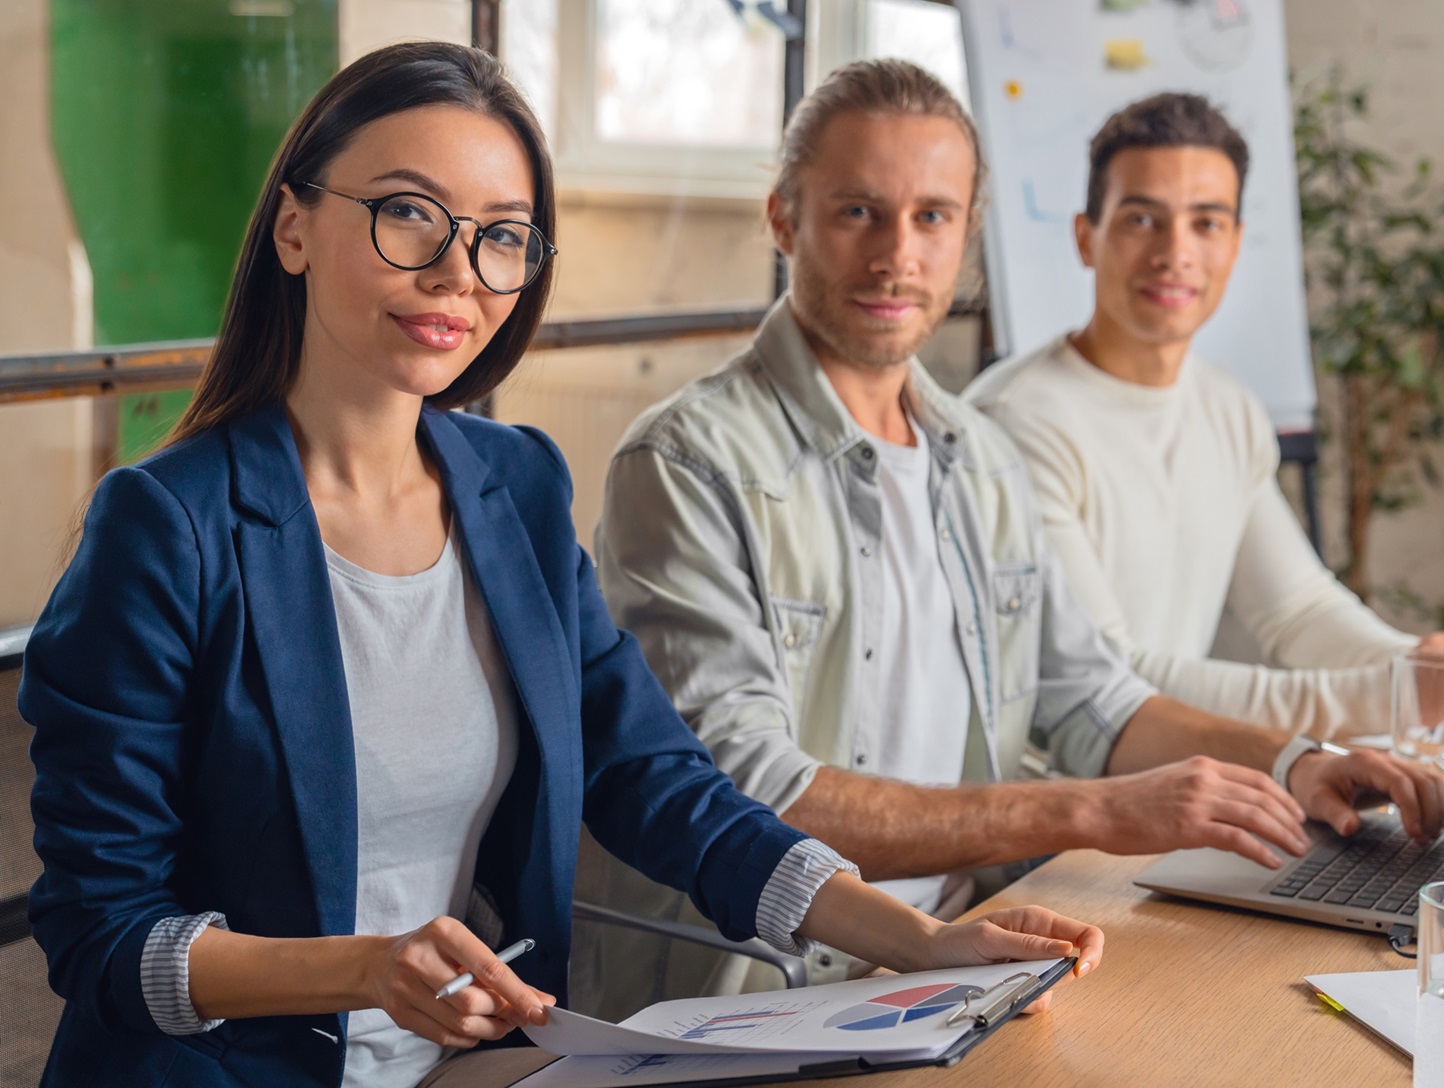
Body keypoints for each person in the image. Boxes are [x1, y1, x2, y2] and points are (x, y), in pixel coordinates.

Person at [19, 43, 1107, 1088]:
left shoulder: (517, 487)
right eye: (407, 212)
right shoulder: (165, 525)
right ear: (294, 226)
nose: (456, 270)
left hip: (480, 1064)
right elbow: (99, 928)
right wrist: (359, 967)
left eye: (502, 234)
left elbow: (656, 778)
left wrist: (918, 938)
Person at [578, 59, 1444, 1020]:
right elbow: (753, 795)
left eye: (933, 217)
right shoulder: (686, 461)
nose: (897, 255)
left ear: (968, 239)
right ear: (784, 219)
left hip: (973, 955)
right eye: (858, 211)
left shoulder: (977, 456)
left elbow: (1091, 693)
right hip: (773, 986)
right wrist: (1091, 810)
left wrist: (1296, 762)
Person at [967, 92, 1444, 740]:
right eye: (1142, 219)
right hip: (1055, 817)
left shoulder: (1227, 408)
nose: (1176, 252)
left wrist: (1442, 664)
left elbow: (1299, 611)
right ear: (1087, 237)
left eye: (1206, 222)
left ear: (1235, 243)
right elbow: (1109, 679)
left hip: (1165, 794)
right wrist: (1404, 696)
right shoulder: (1016, 422)